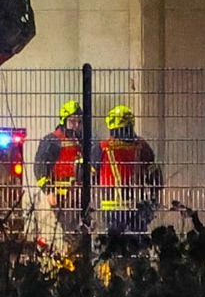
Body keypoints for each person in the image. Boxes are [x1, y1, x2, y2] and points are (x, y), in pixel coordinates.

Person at [92, 105, 162, 249]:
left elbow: (89, 176)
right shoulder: (142, 147)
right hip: (135, 208)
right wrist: (153, 200)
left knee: (115, 247)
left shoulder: (102, 148)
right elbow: (155, 177)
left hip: (113, 209)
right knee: (136, 246)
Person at [30, 100, 92, 256]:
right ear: (64, 121)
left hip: (75, 198)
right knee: (52, 234)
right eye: (72, 122)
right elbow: (40, 167)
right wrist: (48, 191)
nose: (76, 126)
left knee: (74, 237)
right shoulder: (52, 140)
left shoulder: (81, 142)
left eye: (79, 122)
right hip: (56, 196)